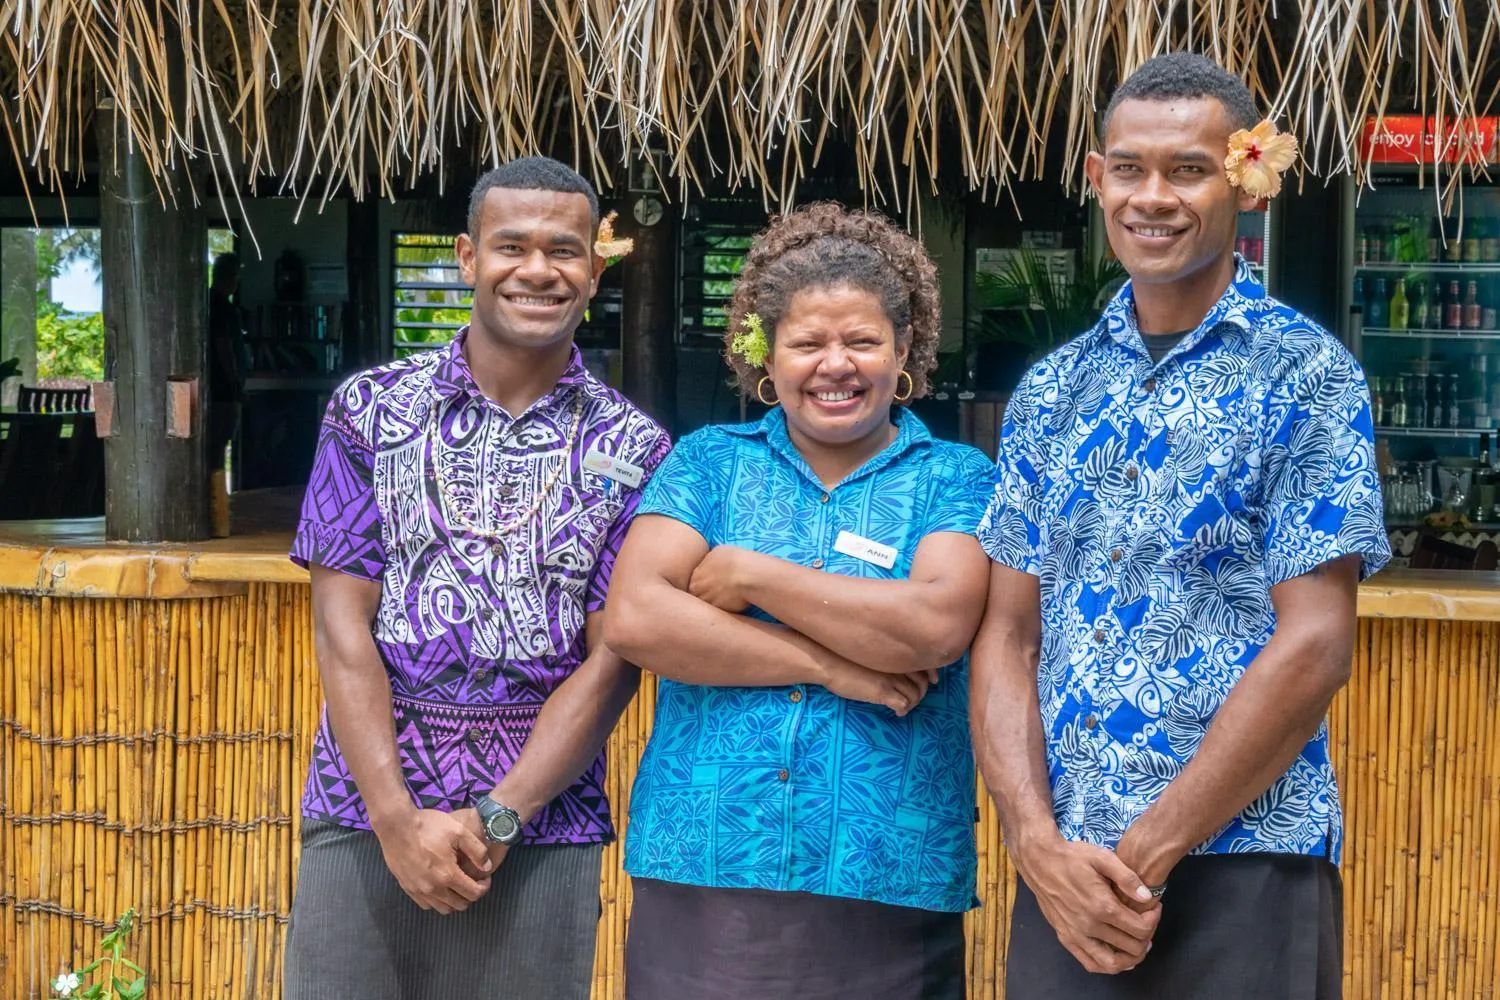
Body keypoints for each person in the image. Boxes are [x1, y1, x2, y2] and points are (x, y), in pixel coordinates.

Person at [970, 52, 1389, 999]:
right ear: (1096, 177)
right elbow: (1007, 633)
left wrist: (1146, 853)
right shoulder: (1053, 390)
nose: (1151, 197)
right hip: (1067, 878)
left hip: (1244, 862)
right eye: (1129, 168)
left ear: (1247, 178)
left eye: (1187, 170)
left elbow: (1316, 644)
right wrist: (1037, 846)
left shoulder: (1305, 376)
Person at [282, 156, 670, 1000]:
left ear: (595, 271)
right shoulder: (370, 411)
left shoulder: (637, 450)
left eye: (564, 251)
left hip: (542, 823)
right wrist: (394, 818)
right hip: (365, 807)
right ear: (466, 257)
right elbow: (342, 628)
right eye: (511, 246)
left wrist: (502, 814)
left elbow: (614, 660)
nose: (538, 270)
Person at [604, 203, 994, 1000]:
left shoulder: (957, 478)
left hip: (887, 864)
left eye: (862, 341)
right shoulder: (707, 464)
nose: (835, 365)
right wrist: (829, 665)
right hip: (707, 859)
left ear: (906, 347)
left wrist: (751, 577)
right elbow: (638, 617)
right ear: (766, 354)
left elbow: (934, 628)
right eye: (808, 342)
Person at [207, 252, 245, 534]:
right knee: (218, 447)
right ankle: (215, 510)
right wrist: (233, 379)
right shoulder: (221, 307)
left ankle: (215, 506)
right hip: (221, 389)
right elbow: (223, 347)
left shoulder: (211, 303)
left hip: (216, 388)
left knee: (216, 447)